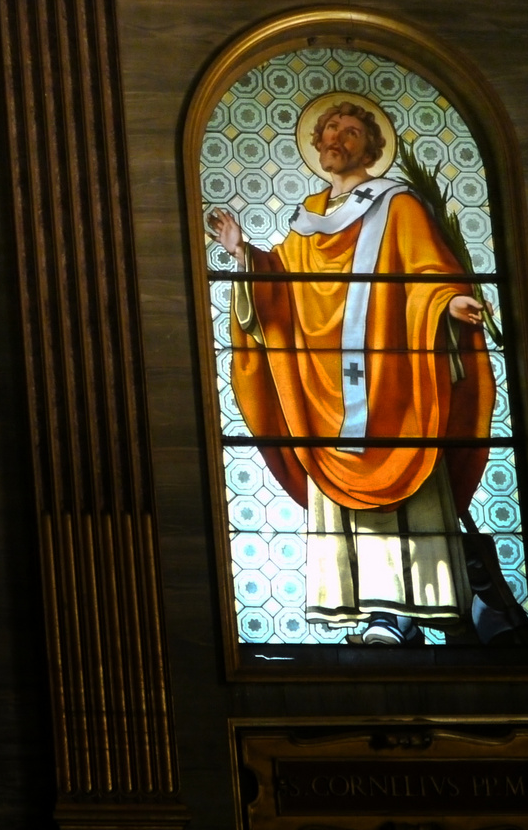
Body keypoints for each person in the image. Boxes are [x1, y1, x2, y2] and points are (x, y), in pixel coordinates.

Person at [206, 97, 495, 645]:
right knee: (339, 502)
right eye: (331, 130)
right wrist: (245, 256)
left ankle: (410, 611)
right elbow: (282, 285)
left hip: (393, 376)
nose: (338, 139)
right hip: (323, 382)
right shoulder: (308, 219)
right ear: (316, 145)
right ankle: (360, 610)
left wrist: (449, 303)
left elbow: (429, 272)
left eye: (352, 131)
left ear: (371, 146)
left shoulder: (399, 206)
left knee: (404, 478)